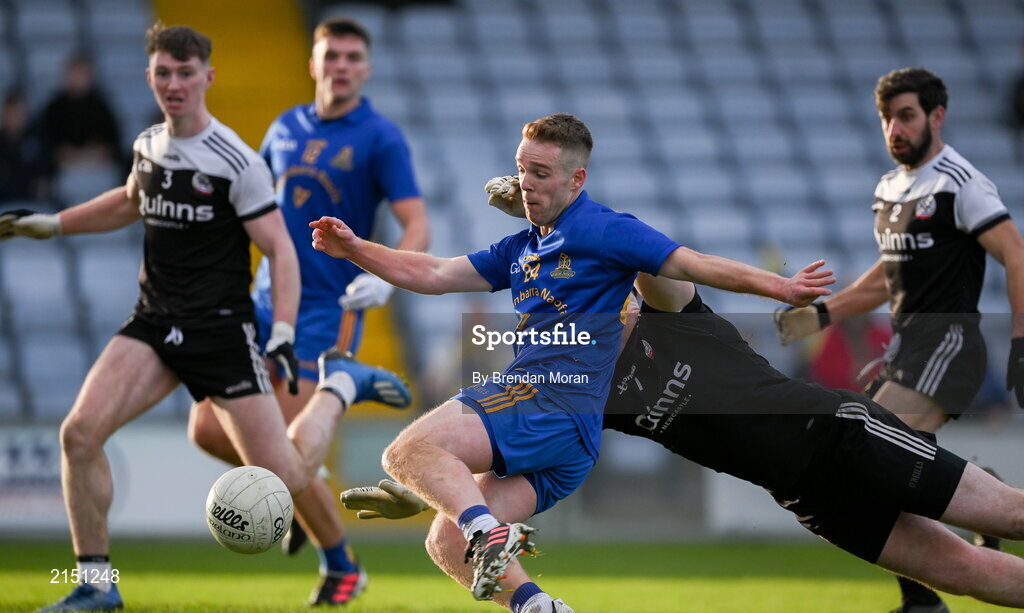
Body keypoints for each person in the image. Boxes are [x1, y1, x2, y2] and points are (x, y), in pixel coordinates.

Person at [342, 175, 1024, 610]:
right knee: (961, 571)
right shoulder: (585, 384)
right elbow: (504, 438)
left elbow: (638, 249)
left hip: (839, 430)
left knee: (1010, 514)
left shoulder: (670, 309)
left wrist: (535, 209)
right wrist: (413, 486)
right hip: (806, 496)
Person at [309, 112, 835, 611]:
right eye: (521, 170)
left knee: (406, 450)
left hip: (549, 397)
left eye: (539, 173)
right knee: (447, 544)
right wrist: (356, 248)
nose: (524, 184)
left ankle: (486, 531)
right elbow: (436, 274)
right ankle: (538, 604)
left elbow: (692, 263)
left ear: (576, 179)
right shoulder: (522, 246)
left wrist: (781, 286)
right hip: (573, 439)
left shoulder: (606, 230)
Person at [0, 23, 410, 613]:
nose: (174, 84)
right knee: (79, 433)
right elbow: (127, 199)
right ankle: (95, 585)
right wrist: (53, 223)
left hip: (220, 332)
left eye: (185, 74)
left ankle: (342, 387)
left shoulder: (236, 161)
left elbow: (282, 249)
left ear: (207, 78)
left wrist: (287, 331)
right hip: (153, 320)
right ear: (150, 77)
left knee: (290, 473)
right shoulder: (148, 145)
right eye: (163, 73)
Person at [186, 16, 428, 605]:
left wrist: (390, 279)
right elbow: (256, 204)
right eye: (332, 55)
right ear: (314, 63)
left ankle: (342, 565)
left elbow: (416, 222)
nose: (341, 65)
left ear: (365, 69)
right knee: (206, 429)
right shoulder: (284, 126)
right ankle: (303, 486)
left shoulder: (380, 136)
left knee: (285, 449)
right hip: (263, 301)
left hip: (329, 307)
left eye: (352, 57)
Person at [773, 67, 1024, 613]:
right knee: (869, 469)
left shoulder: (960, 182)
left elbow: (1015, 253)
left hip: (948, 345)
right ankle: (968, 508)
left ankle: (932, 583)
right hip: (904, 351)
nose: (894, 128)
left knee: (865, 460)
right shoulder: (890, 188)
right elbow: (890, 277)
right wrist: (823, 314)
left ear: (937, 117)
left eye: (906, 115)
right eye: (887, 117)